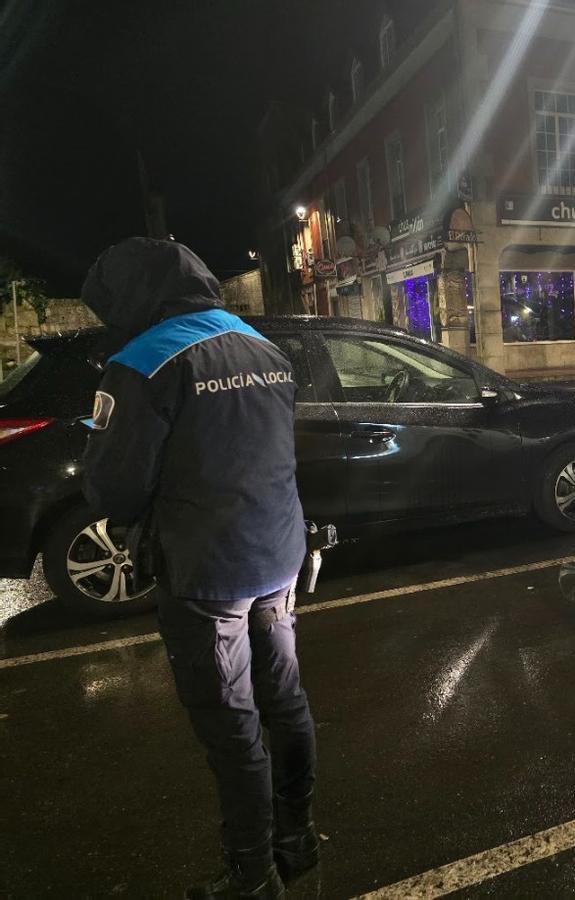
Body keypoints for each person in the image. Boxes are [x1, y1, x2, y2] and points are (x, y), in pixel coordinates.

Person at [80, 238, 318, 899]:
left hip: (208, 568)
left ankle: (252, 874)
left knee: (232, 723)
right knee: (286, 703)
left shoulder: (142, 363)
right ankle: (295, 844)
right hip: (277, 553)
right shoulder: (258, 343)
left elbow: (115, 490)